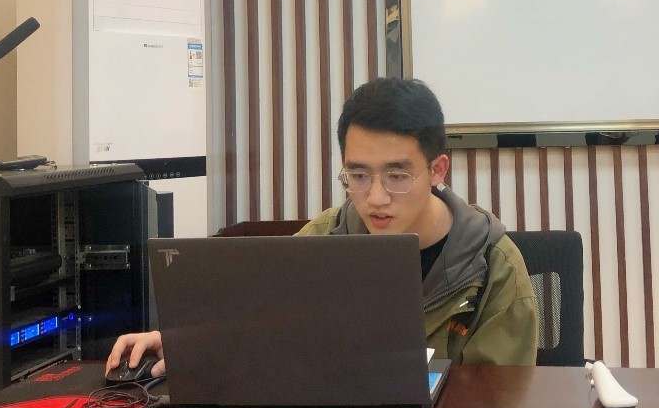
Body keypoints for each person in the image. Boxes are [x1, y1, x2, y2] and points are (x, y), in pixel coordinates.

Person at [107, 77, 539, 378]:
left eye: (397, 175)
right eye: (358, 175)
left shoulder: (494, 268)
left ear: (437, 169)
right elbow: (252, 317)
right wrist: (184, 340)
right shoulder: (324, 240)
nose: (376, 198)